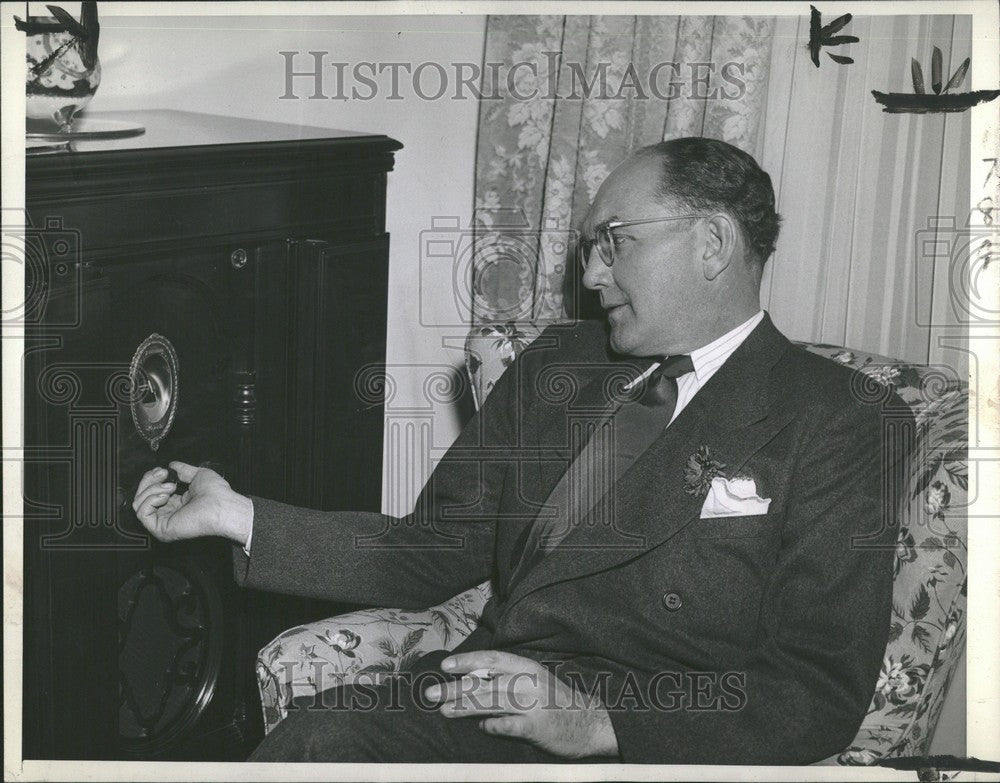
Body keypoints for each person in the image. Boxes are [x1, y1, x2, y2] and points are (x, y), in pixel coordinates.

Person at [133, 137, 914, 764]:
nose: (591, 273)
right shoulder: (560, 368)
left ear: (712, 241)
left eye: (614, 243)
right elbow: (430, 549)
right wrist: (237, 516)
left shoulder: (842, 419)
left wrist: (592, 721)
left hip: (659, 743)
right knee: (316, 744)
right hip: (484, 703)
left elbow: (814, 688)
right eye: (587, 248)